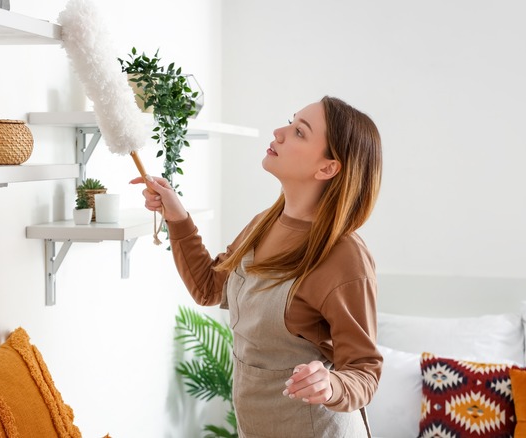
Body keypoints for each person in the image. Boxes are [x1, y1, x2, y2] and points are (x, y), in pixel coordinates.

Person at [131, 96, 383, 437]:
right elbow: (209, 288)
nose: (279, 132)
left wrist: (332, 385)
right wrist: (176, 217)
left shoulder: (344, 256)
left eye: (299, 132)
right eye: (290, 122)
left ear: (327, 168)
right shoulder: (263, 224)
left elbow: (364, 370)